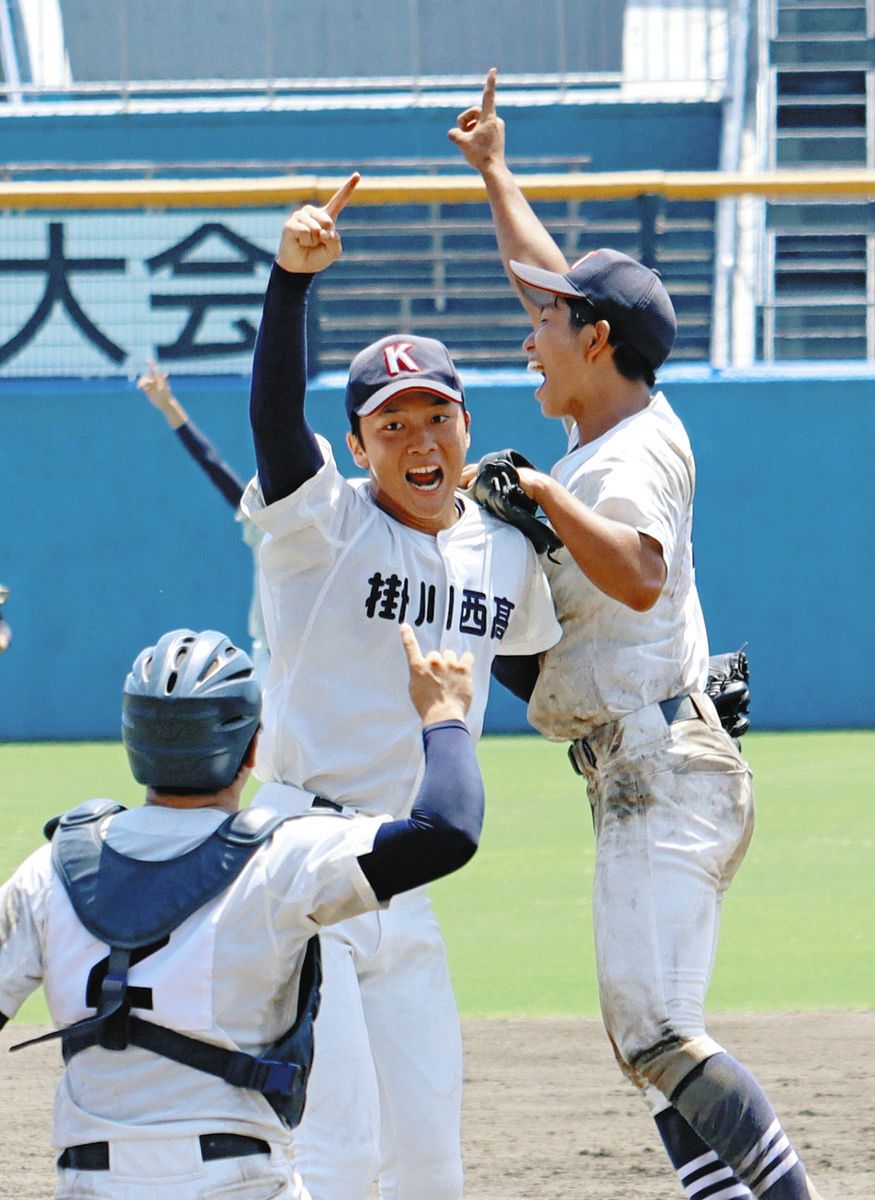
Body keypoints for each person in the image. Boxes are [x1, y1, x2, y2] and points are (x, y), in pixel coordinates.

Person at [449, 69, 824, 1200]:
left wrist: (542, 499)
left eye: (551, 321)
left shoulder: (628, 457)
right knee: (652, 1049)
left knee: (655, 1032)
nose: (530, 333)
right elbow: (541, 278)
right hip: (651, 763)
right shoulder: (615, 425)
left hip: (662, 770)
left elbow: (643, 570)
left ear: (597, 338)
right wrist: (494, 171)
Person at [240, 175, 561, 1200]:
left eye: (434, 417)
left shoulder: (503, 550)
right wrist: (288, 285)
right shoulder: (321, 527)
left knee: (426, 1158)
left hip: (404, 866)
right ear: (358, 446)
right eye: (390, 425)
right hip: (299, 854)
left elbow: (538, 677)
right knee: (336, 1153)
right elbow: (275, 426)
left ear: (466, 423)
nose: (417, 441)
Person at [0, 621, 485, 1200]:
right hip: (238, 1182)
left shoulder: (50, 868)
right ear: (254, 749)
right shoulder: (284, 856)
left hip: (91, 1183)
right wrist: (444, 714)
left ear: (134, 741)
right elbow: (446, 832)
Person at [136, 361, 268, 681]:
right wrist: (169, 406)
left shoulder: (329, 522)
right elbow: (213, 464)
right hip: (269, 656)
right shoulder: (262, 520)